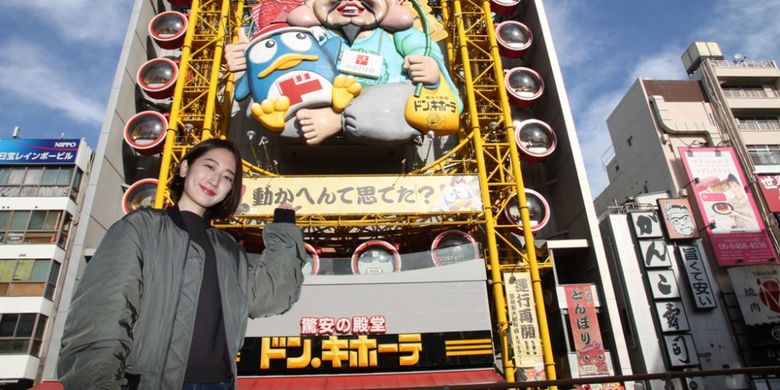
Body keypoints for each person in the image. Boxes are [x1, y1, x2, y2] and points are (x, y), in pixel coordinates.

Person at [58, 138, 306, 389]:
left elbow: (269, 298)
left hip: (220, 383)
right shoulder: (141, 228)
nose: (215, 180)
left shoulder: (228, 248)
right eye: (209, 166)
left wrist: (284, 229)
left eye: (228, 177)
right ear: (184, 167)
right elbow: (102, 315)